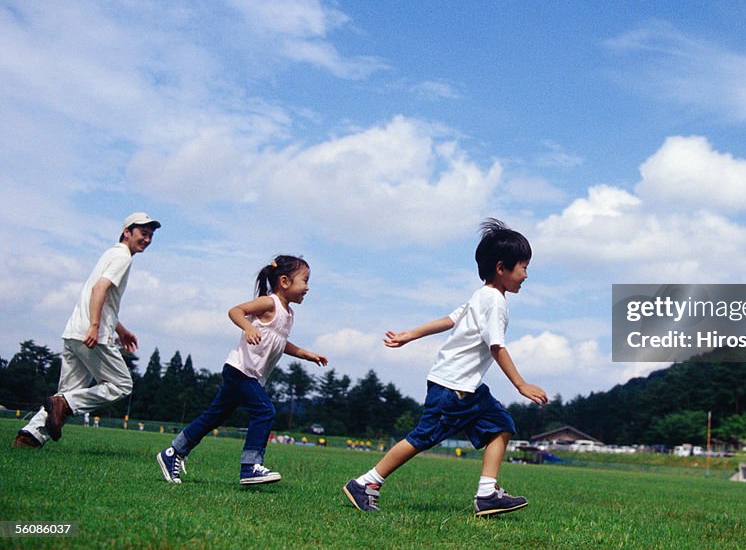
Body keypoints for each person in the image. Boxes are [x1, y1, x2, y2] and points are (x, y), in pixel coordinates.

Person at [344, 219, 548, 516]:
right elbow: (497, 346)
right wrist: (521, 385)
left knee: (502, 426)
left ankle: (487, 494)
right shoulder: (494, 302)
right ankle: (366, 483)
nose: (526, 275)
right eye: (523, 267)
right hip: (453, 388)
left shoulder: (481, 296)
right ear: (501, 268)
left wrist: (409, 334)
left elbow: (449, 320)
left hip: (468, 389)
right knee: (421, 438)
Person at [157, 255, 327, 486]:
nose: (308, 287)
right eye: (305, 281)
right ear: (285, 281)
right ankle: (250, 467)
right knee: (265, 411)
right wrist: (247, 327)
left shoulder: (288, 314)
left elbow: (278, 341)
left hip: (249, 375)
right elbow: (235, 311)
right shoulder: (269, 303)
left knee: (212, 417)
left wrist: (306, 354)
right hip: (240, 370)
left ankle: (173, 453)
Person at [13, 212, 161, 449]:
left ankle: (29, 437)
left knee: (68, 394)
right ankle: (62, 405)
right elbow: (99, 290)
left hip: (74, 331)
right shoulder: (123, 257)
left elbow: (102, 296)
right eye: (143, 233)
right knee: (122, 385)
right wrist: (94, 326)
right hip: (93, 334)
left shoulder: (111, 253)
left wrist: (120, 328)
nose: (147, 239)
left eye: (151, 235)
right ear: (127, 232)